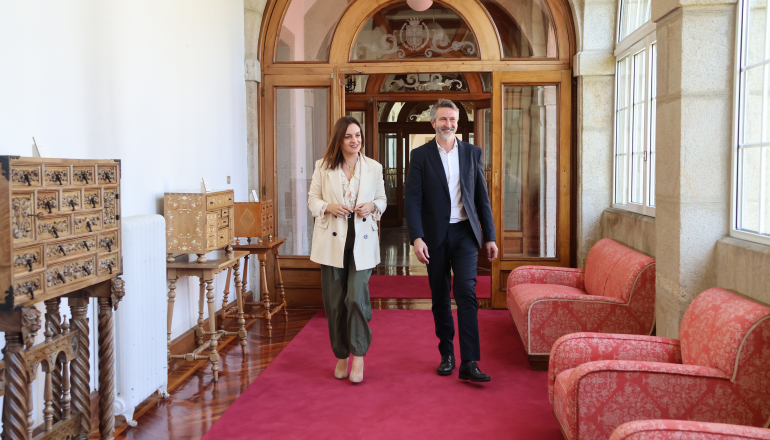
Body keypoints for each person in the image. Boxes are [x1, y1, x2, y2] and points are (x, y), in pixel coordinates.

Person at [404, 99, 498, 382]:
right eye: (443, 119)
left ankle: (470, 360)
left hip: (465, 234)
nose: (449, 124)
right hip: (434, 235)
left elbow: (481, 197)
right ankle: (447, 354)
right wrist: (417, 237)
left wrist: (490, 236)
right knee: (440, 294)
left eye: (453, 119)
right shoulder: (420, 156)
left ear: (458, 122)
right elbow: (412, 199)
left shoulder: (472, 152)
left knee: (466, 292)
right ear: (433, 122)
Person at [307, 116, 387, 384]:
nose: (355, 140)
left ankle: (359, 354)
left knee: (355, 295)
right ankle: (342, 355)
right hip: (332, 241)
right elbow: (312, 200)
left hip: (362, 240)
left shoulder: (374, 167)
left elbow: (382, 199)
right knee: (335, 302)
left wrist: (373, 206)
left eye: (358, 135)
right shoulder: (322, 166)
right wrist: (328, 207)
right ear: (339, 140)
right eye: (349, 136)